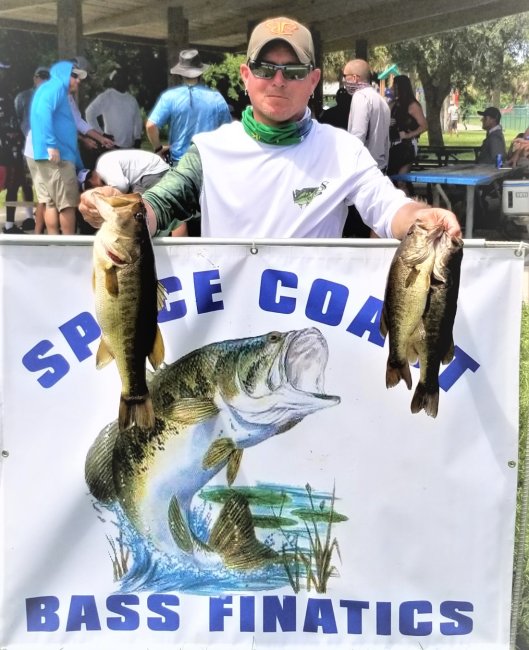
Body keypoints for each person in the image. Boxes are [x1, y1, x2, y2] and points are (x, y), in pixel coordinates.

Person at [80, 16, 460, 245]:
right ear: (246, 76)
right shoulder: (209, 150)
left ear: (313, 81)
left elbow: (390, 208)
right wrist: (120, 212)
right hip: (226, 332)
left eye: (293, 71)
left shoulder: (343, 150)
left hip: (309, 334)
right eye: (265, 68)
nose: (278, 80)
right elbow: (159, 206)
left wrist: (423, 218)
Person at [146, 49, 232, 166]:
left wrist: (158, 148)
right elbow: (228, 132)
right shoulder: (217, 98)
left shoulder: (169, 97)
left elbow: (150, 126)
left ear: (180, 74)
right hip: (209, 164)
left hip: (179, 164)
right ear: (201, 73)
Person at [30, 60, 87, 235]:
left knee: (51, 203)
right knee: (67, 204)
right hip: (58, 157)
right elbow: (42, 111)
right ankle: (68, 245)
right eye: (74, 76)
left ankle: (55, 243)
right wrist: (51, 145)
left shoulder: (50, 89)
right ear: (63, 74)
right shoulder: (56, 88)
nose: (78, 80)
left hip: (47, 156)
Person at [14, 66, 50, 233]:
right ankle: (30, 216)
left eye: (45, 76)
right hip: (26, 144)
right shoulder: (22, 97)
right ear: (34, 78)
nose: (42, 79)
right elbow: (17, 119)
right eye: (39, 76)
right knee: (26, 182)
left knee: (45, 186)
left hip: (46, 146)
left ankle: (42, 219)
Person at [343, 59, 390, 173]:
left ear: (354, 78)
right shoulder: (380, 99)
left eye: (345, 76)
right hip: (380, 165)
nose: (344, 80)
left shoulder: (360, 96)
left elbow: (358, 134)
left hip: (363, 167)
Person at [387, 74, 427, 194]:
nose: (392, 89)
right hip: (392, 146)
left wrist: (409, 135)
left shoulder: (412, 105)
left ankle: (410, 202)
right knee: (392, 180)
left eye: (394, 86)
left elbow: (424, 126)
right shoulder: (392, 104)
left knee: (401, 180)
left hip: (407, 147)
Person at [85, 68, 143, 149]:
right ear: (114, 81)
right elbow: (89, 113)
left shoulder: (132, 100)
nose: (123, 80)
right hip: (111, 147)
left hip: (129, 148)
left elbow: (137, 120)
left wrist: (137, 138)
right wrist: (101, 134)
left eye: (125, 77)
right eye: (119, 78)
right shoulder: (106, 96)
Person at [77, 149, 169, 193]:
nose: (95, 190)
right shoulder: (102, 165)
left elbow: (122, 187)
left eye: (90, 187)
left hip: (153, 171)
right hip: (149, 171)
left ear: (91, 180)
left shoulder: (104, 169)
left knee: (136, 203)